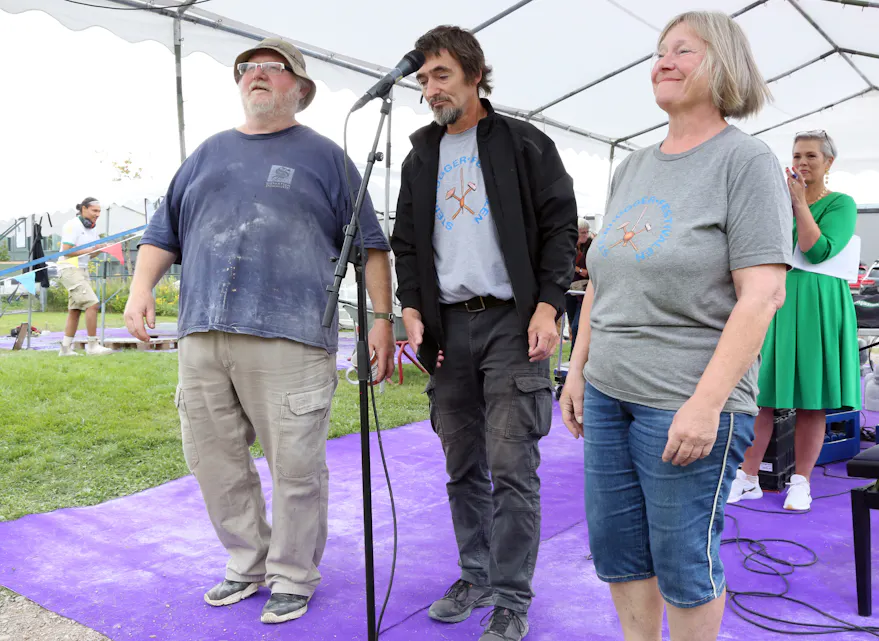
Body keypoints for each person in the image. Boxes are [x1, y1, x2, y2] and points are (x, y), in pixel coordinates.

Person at [124, 38, 395, 625]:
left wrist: (382, 320)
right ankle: (246, 563)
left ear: (300, 89)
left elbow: (371, 248)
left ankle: (293, 574)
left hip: (291, 336)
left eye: (275, 69)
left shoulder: (327, 157)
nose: (258, 76)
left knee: (295, 466)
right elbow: (161, 232)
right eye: (249, 68)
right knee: (213, 460)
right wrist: (141, 289)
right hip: (202, 333)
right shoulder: (205, 154)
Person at [559, 11, 792, 641]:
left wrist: (706, 405)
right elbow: (606, 279)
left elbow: (763, 294)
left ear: (724, 66)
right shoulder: (633, 167)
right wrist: (577, 371)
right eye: (660, 51)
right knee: (620, 552)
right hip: (609, 392)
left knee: (684, 561)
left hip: (686, 400)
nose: (663, 61)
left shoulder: (745, 163)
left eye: (682, 51)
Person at [390, 25, 577, 641]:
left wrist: (549, 306)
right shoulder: (421, 154)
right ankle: (474, 573)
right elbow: (408, 244)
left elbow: (559, 229)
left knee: (512, 464)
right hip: (448, 329)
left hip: (511, 323)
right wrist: (410, 308)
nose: (429, 88)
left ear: (474, 73)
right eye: (422, 79)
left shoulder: (524, 144)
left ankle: (510, 596)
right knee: (461, 463)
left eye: (440, 74)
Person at [728, 130, 860, 511]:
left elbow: (816, 250)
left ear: (828, 163)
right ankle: (748, 477)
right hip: (775, 300)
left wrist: (800, 203)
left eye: (811, 156)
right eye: (797, 155)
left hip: (818, 303)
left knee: (811, 400)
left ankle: (801, 482)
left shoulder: (841, 204)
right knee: (762, 395)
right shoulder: (775, 201)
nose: (802, 162)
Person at [56, 197, 113, 357]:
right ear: (83, 209)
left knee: (75, 310)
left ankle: (65, 349)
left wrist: (100, 249)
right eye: (94, 211)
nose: (98, 214)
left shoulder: (92, 229)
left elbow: (90, 254)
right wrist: (91, 249)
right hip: (69, 268)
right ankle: (92, 346)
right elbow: (66, 251)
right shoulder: (72, 225)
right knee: (92, 304)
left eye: (99, 211)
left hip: (82, 269)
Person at [565, 218, 592, 351]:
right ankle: (573, 354)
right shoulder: (569, 246)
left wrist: (576, 268)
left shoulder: (591, 246)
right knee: (571, 326)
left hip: (584, 291)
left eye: (587, 232)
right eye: (582, 232)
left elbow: (587, 272)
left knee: (577, 325)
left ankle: (574, 356)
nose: (585, 235)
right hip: (570, 291)